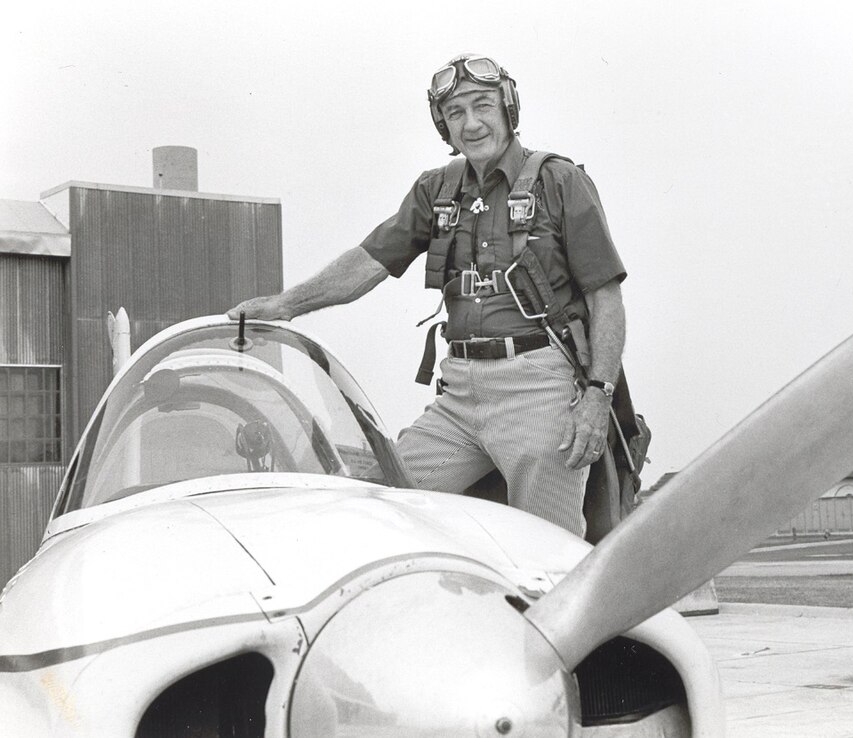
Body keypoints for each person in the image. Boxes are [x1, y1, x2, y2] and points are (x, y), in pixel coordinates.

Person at [228, 54, 626, 537]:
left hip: (539, 387)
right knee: (384, 503)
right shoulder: (437, 190)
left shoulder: (559, 182)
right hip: (459, 391)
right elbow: (368, 263)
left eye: (482, 106)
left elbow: (605, 299)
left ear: (508, 109)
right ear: (444, 125)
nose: (471, 123)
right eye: (456, 112)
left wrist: (597, 398)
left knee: (549, 548)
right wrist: (284, 305)